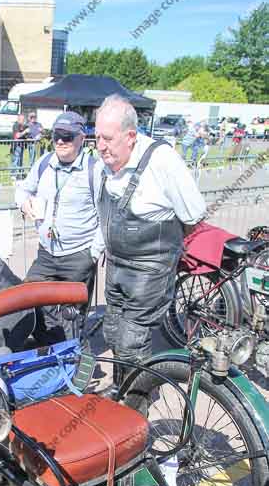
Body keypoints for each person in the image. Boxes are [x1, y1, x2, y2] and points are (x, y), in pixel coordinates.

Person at [94, 94, 206, 396]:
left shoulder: (162, 160)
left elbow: (194, 213)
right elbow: (102, 215)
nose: (101, 146)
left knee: (132, 340)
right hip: (117, 265)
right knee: (113, 332)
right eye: (96, 138)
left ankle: (135, 406)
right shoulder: (101, 165)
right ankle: (122, 388)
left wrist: (165, 251)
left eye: (108, 138)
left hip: (150, 269)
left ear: (131, 136)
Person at [15, 111, 102, 344]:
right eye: (56, 136)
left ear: (81, 138)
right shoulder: (44, 163)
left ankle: (72, 363)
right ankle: (50, 351)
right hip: (46, 253)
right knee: (29, 298)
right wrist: (24, 204)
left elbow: (107, 217)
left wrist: (91, 254)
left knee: (72, 316)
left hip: (78, 255)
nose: (61, 142)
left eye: (67, 136)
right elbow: (22, 190)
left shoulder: (95, 170)